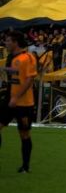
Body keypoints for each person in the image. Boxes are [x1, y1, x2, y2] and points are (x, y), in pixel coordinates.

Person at [0, 31, 38, 173]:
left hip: (24, 103)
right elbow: (16, 72)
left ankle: (25, 167)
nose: (6, 43)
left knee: (24, 134)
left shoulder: (28, 57)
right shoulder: (11, 57)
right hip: (9, 100)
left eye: (8, 41)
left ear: (15, 42)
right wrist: (4, 69)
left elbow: (29, 79)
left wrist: (16, 97)